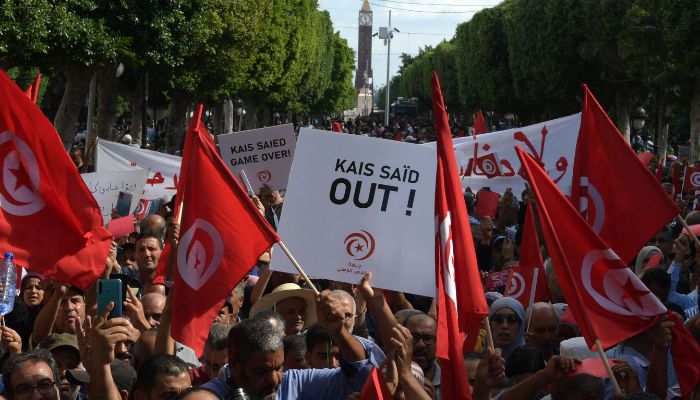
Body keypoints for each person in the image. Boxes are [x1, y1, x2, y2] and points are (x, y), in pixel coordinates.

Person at [204, 291, 373, 399]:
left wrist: (339, 333)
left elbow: (359, 375)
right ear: (234, 365)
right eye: (261, 371)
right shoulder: (208, 396)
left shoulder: (294, 382)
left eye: (278, 368)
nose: (274, 379)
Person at [249, 283, 317, 336]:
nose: (298, 316)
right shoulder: (267, 348)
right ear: (276, 315)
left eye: (302, 311)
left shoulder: (312, 344)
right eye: (290, 312)